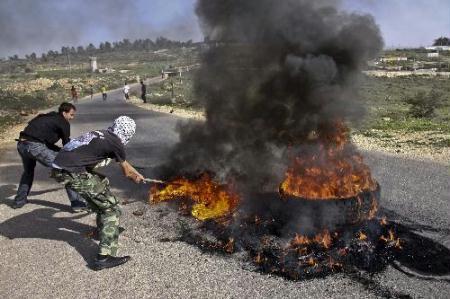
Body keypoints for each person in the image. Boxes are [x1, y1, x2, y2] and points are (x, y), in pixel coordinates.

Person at [51, 116, 145, 270]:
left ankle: (104, 231)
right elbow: (127, 173)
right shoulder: (116, 143)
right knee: (111, 210)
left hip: (61, 167)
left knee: (101, 185)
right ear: (129, 133)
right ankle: (103, 258)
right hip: (72, 171)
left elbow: (124, 162)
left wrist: (136, 173)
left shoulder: (104, 134)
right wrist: (137, 178)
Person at [13, 102, 86, 212]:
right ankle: (77, 204)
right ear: (64, 113)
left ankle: (19, 201)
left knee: (28, 172)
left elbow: (43, 140)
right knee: (66, 168)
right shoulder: (63, 122)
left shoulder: (47, 116)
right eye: (71, 115)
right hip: (35, 146)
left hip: (22, 145)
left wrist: (57, 150)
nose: (72, 117)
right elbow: (67, 145)